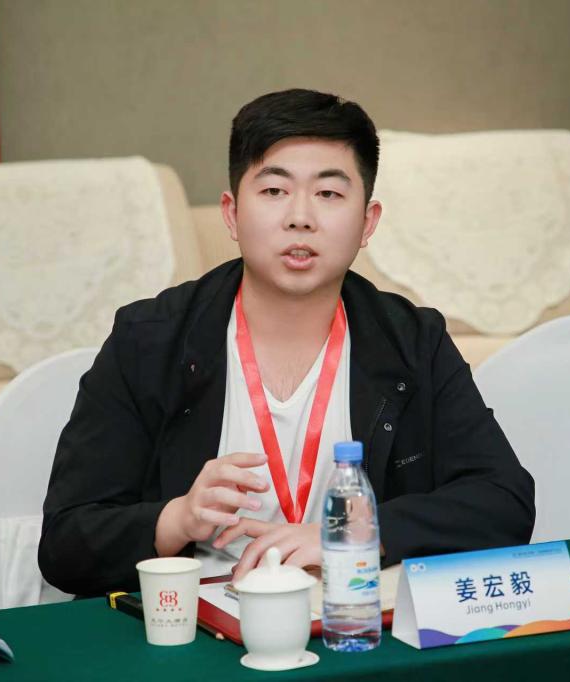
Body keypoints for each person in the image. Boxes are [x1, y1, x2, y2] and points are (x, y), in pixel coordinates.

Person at [39, 88, 535, 596]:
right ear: (231, 213)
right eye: (274, 190)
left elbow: (505, 501)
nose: (301, 217)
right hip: (196, 620)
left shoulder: (413, 342)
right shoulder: (149, 340)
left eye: (329, 194)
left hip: (351, 617)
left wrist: (352, 532)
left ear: (367, 222)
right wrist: (177, 519)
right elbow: (64, 543)